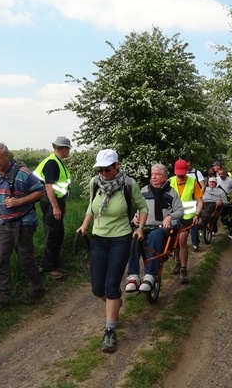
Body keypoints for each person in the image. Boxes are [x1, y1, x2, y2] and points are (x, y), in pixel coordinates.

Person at [75, 149, 148, 353]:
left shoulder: (128, 184)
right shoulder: (94, 183)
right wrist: (84, 226)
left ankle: (110, 331)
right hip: (99, 238)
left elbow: (143, 208)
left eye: (108, 169)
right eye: (101, 169)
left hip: (121, 238)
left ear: (117, 166)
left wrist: (140, 228)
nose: (104, 172)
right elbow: (91, 207)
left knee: (111, 285)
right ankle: (114, 304)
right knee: (98, 288)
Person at [0, 142, 45, 307]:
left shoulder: (23, 173)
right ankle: (2, 297)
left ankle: (37, 290)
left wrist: (19, 201)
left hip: (23, 223)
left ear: (7, 156)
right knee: (0, 260)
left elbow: (40, 191)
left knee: (25, 259)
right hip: (2, 223)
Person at [125, 163, 184, 292]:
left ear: (165, 177)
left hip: (161, 228)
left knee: (155, 235)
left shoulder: (171, 192)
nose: (154, 177)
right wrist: (135, 216)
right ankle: (133, 276)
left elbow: (180, 211)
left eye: (158, 174)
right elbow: (138, 207)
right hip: (143, 226)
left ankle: (150, 274)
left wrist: (170, 216)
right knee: (133, 238)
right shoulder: (144, 190)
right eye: (152, 174)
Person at [33, 136, 72, 280]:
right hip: (51, 202)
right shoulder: (52, 163)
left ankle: (55, 265)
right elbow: (48, 186)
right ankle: (49, 268)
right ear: (62, 148)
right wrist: (55, 207)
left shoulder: (57, 161)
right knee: (52, 234)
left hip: (55, 202)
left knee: (58, 233)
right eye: (68, 148)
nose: (69, 151)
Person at [169, 159, 204, 282]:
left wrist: (197, 214)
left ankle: (183, 269)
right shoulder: (170, 182)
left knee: (182, 240)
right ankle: (178, 262)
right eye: (178, 172)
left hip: (187, 217)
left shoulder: (192, 182)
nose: (180, 175)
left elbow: (200, 200)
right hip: (173, 216)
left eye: (182, 172)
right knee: (175, 241)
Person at [216, 168, 232, 240]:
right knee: (215, 215)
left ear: (225, 173)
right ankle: (213, 229)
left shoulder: (231, 180)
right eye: (220, 174)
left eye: (222, 174)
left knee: (229, 217)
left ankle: (231, 233)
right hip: (219, 199)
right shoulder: (217, 179)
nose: (221, 176)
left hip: (228, 200)